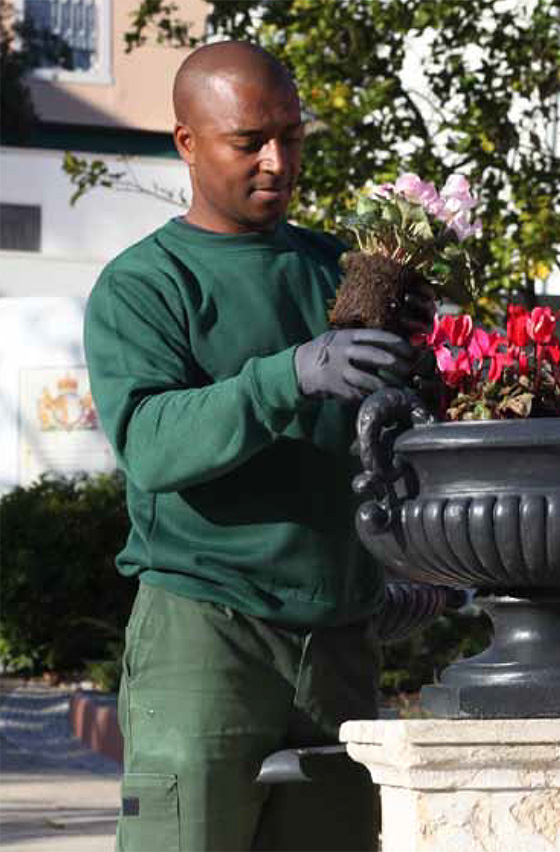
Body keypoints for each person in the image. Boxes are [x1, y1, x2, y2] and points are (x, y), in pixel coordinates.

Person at [83, 41, 434, 852]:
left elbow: (395, 440)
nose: (277, 161)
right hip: (205, 635)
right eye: (249, 142)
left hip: (339, 643)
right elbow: (150, 444)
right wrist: (291, 375)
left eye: (291, 136)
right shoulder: (148, 284)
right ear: (187, 142)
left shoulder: (342, 273)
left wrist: (423, 370)